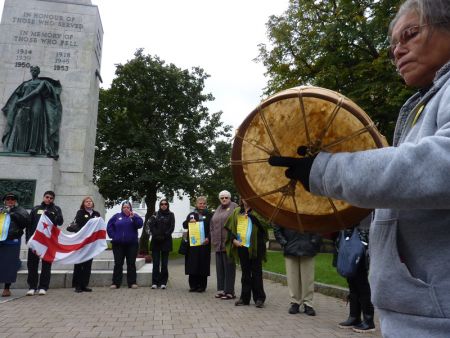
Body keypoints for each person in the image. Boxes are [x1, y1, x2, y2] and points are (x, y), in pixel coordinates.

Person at [269, 0, 450, 334]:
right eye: (394, 43)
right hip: (421, 313)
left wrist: (324, 171)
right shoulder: (424, 105)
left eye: (409, 35)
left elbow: (441, 167)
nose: (398, 50)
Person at [2, 65, 62, 159]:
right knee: (20, 124)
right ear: (30, 71)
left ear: (38, 72)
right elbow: (18, 95)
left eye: (35, 70)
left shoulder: (42, 82)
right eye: (32, 70)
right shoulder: (25, 84)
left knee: (35, 123)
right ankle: (19, 147)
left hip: (37, 103)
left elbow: (36, 92)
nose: (34, 72)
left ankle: (33, 147)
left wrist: (22, 100)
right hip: (24, 105)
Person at [225, 199, 268, 308]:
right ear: (241, 199)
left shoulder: (258, 211)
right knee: (245, 273)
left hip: (256, 247)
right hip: (242, 246)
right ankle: (244, 298)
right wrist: (233, 240)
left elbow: (264, 227)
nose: (246, 199)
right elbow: (231, 228)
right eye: (244, 197)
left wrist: (251, 217)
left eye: (249, 196)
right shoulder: (237, 211)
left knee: (257, 272)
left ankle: (259, 298)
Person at [336, 217, 375, 333]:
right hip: (350, 239)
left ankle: (369, 320)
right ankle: (354, 317)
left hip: (361, 242)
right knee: (352, 283)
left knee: (362, 285)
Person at [273, 224, 321, 316]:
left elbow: (318, 225)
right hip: (290, 246)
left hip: (308, 247)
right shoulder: (285, 211)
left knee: (308, 278)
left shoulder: (312, 209)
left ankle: (308, 303)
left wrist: (314, 241)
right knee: (292, 277)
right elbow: (277, 227)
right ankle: (295, 302)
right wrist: (284, 242)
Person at [26, 190, 64, 296]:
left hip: (48, 242)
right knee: (32, 264)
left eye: (51, 198)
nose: (49, 199)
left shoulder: (56, 209)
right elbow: (29, 225)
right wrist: (28, 240)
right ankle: (32, 286)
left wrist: (52, 215)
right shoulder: (36, 209)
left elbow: (60, 221)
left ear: (53, 199)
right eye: (47, 197)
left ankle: (43, 287)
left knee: (46, 265)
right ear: (43, 197)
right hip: (35, 241)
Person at [107, 201, 143, 289]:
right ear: (122, 208)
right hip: (118, 244)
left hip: (132, 244)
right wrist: (113, 236)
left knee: (131, 263)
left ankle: (132, 282)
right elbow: (109, 226)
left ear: (130, 208)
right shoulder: (116, 216)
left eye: (128, 207)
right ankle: (115, 283)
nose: (126, 209)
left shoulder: (135, 216)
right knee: (118, 263)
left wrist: (133, 217)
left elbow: (140, 225)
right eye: (124, 207)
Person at [210, 190, 239, 300]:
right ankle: (221, 290)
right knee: (220, 268)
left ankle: (230, 292)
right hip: (218, 244)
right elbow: (212, 225)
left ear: (230, 198)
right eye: (222, 198)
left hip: (229, 243)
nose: (224, 199)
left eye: (226, 197)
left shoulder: (234, 207)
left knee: (229, 267)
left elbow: (238, 223)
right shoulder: (217, 209)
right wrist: (213, 238)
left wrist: (235, 239)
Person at [0, 192, 30, 297]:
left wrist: (12, 214)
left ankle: (7, 288)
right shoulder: (1, 210)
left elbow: (25, 222)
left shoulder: (20, 210)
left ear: (16, 201)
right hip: (0, 241)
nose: (10, 201)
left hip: (12, 241)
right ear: (4, 201)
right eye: (8, 199)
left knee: (9, 265)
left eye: (12, 199)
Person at [71, 196, 101, 293]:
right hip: (81, 241)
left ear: (93, 203)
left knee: (88, 264)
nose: (88, 203)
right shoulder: (80, 212)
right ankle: (77, 285)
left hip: (91, 243)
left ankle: (84, 284)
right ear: (83, 204)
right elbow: (79, 223)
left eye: (90, 201)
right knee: (79, 263)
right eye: (86, 201)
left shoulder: (96, 214)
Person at [182, 196, 211, 292]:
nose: (202, 205)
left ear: (206, 204)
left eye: (203, 203)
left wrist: (208, 238)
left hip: (204, 244)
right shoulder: (192, 214)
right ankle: (193, 285)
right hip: (193, 244)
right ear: (196, 204)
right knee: (192, 264)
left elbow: (212, 228)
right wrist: (189, 222)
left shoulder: (209, 214)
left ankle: (202, 286)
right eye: (200, 203)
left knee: (203, 264)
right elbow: (184, 225)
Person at [147, 198, 175, 289]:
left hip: (166, 241)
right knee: (155, 263)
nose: (163, 205)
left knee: (164, 263)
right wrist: (156, 235)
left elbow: (171, 227)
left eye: (165, 204)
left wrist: (164, 235)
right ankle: (155, 282)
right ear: (159, 205)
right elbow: (151, 225)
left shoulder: (171, 215)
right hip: (156, 241)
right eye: (162, 204)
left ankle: (163, 282)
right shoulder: (155, 214)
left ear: (168, 205)